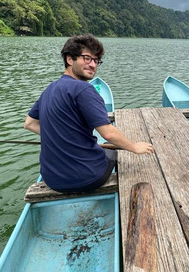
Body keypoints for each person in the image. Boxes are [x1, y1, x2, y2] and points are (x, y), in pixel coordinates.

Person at [24, 34, 154, 193]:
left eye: (96, 60)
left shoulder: (50, 89)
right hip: (86, 178)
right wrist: (134, 147)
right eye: (86, 58)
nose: (93, 65)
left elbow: (29, 123)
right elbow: (109, 134)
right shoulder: (84, 89)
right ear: (70, 59)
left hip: (52, 179)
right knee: (115, 153)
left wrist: (65, 137)